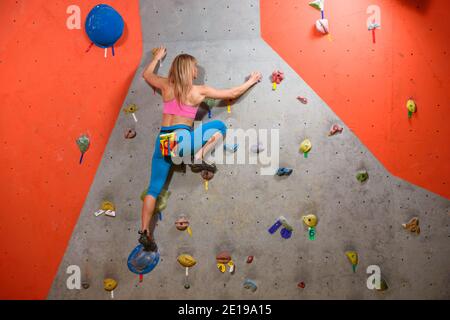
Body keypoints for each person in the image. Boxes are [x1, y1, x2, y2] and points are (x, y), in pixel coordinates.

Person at [139, 46, 262, 251]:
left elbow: (146, 74)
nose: (196, 71)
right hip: (181, 139)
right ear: (188, 69)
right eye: (195, 67)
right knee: (220, 127)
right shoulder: (198, 90)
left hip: (163, 142)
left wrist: (157, 58)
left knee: (153, 189)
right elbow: (231, 93)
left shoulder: (165, 85)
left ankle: (144, 231)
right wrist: (251, 80)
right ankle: (198, 156)